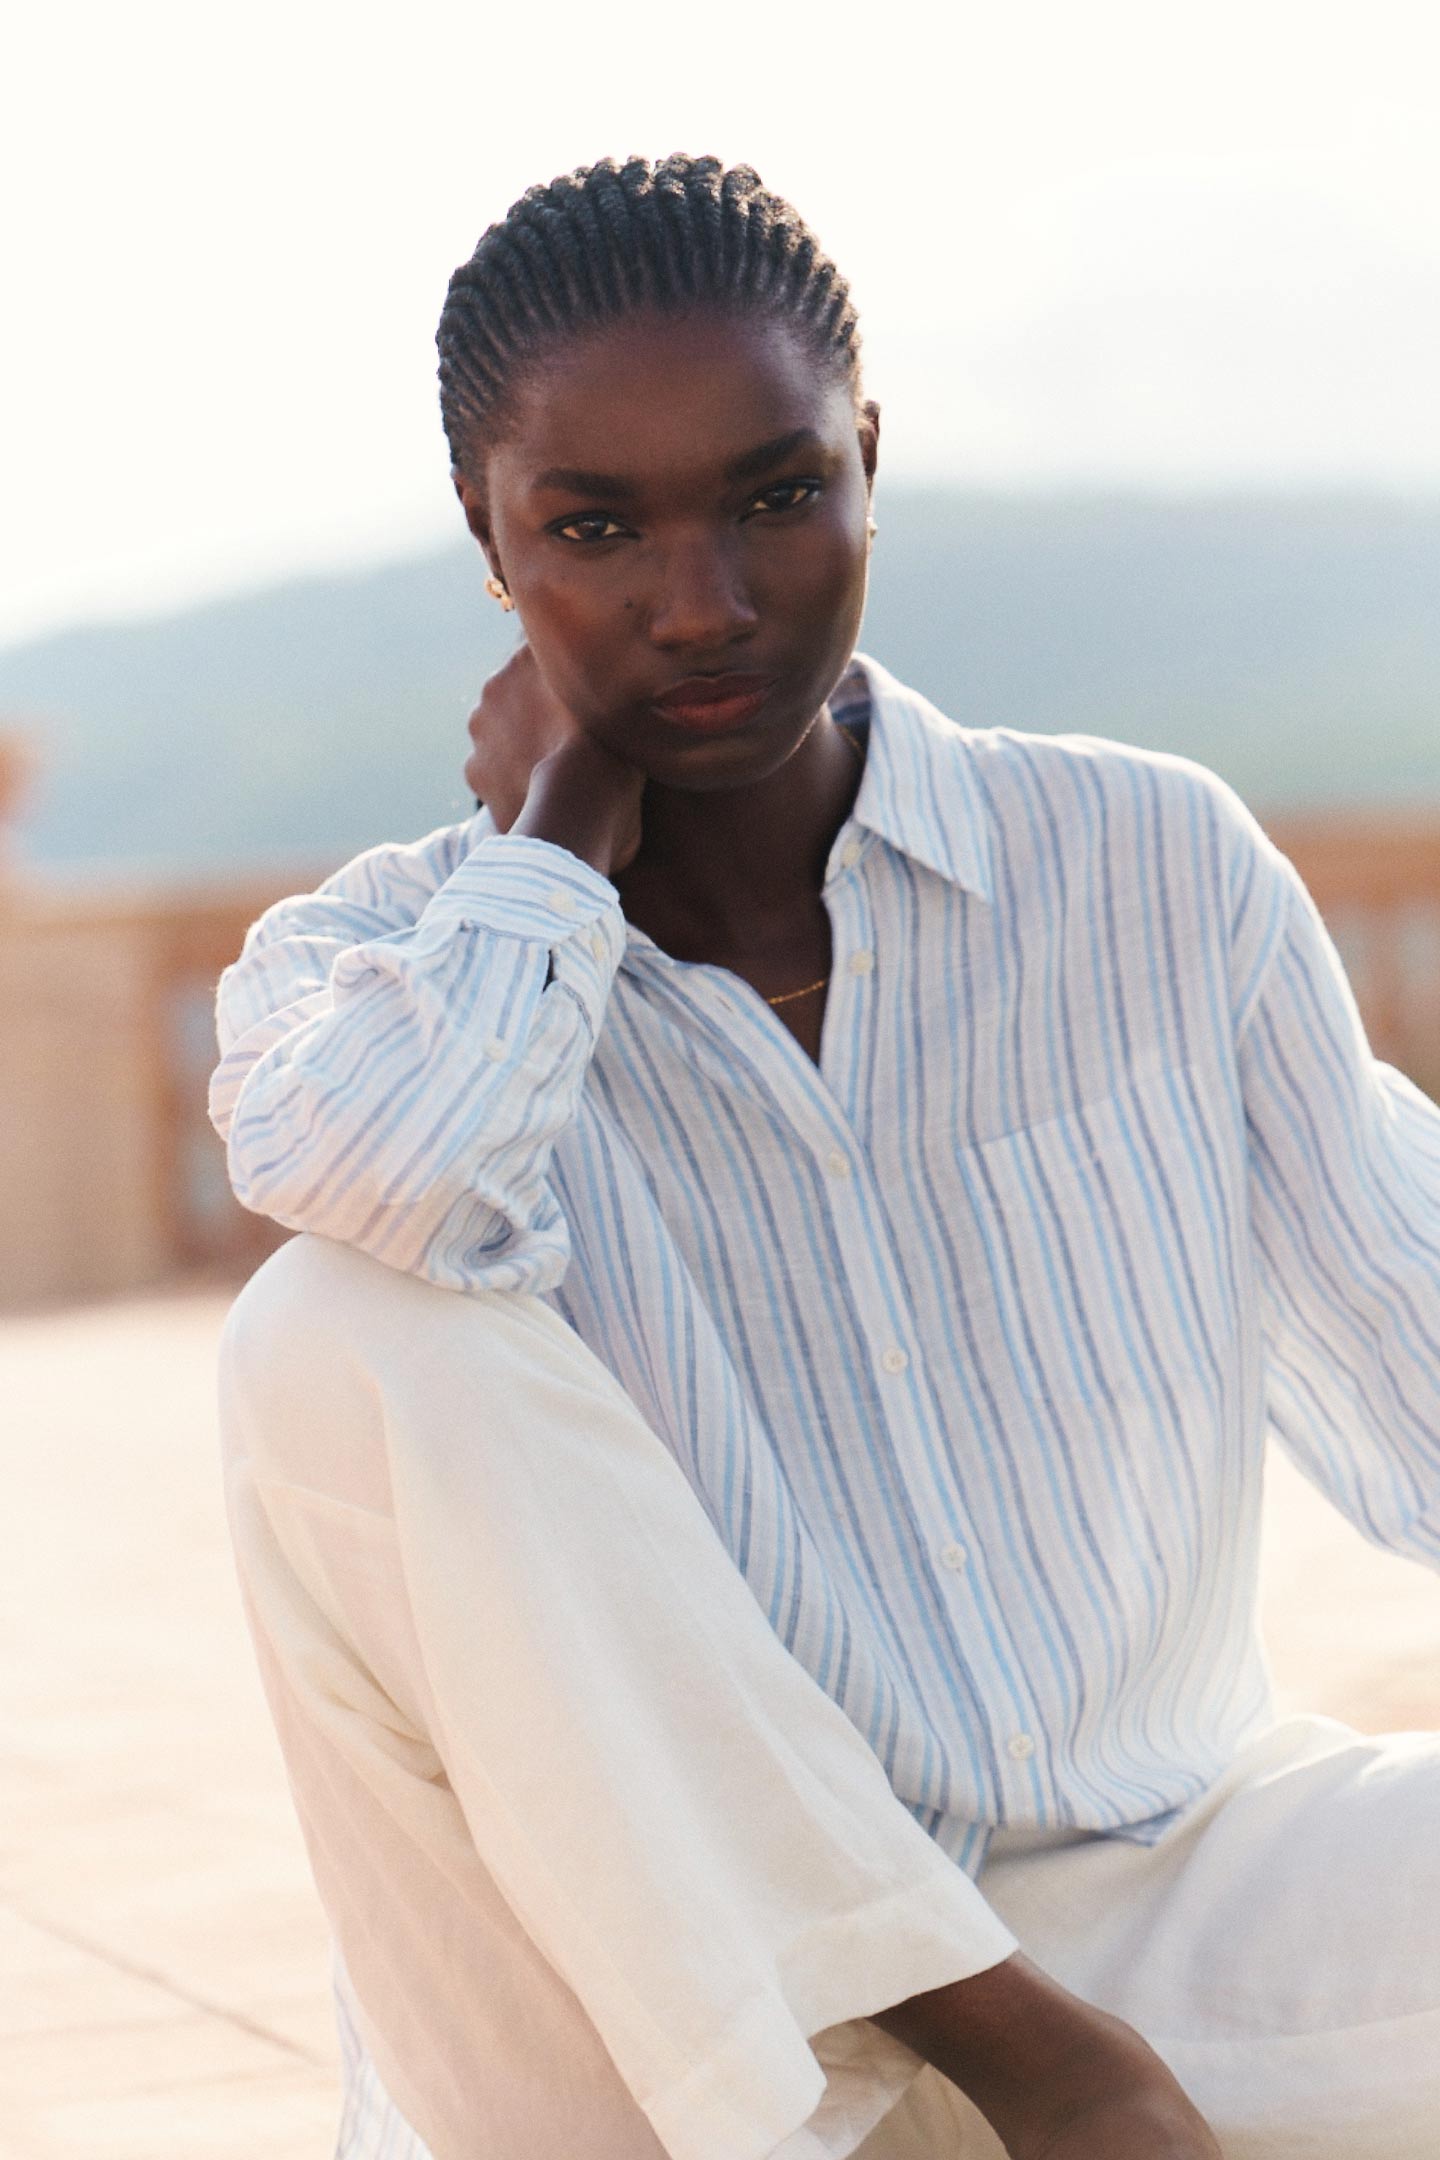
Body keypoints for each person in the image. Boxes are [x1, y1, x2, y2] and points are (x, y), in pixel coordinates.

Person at [210, 154, 1440, 2160]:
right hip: (670, 2033)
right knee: (331, 1325)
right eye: (593, 527)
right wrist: (551, 844)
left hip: (1164, 1904)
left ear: (868, 460)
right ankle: (1017, 2072)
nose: (702, 604)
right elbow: (409, 1187)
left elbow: (1424, 1348)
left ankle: (1045, 2061)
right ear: (486, 535)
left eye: (777, 495)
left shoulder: (1147, 872)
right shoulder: (364, 976)